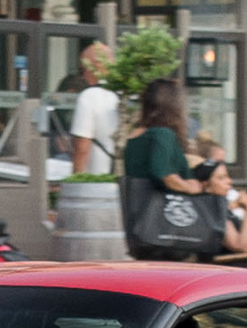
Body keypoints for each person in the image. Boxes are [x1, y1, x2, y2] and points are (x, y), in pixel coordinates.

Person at [123, 77, 209, 261]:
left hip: (141, 226)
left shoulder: (135, 136)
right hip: (168, 232)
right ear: (173, 105)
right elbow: (162, 173)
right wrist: (190, 187)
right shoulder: (163, 134)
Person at [67, 42, 119, 176]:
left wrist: (76, 180)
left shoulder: (89, 96)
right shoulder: (127, 94)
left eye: (82, 69)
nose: (82, 76)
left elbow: (82, 148)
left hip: (98, 181)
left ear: (91, 68)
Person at [194, 159, 247, 257]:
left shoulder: (216, 206)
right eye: (221, 178)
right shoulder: (213, 208)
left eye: (227, 176)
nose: (229, 181)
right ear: (205, 184)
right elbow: (240, 246)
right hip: (227, 267)